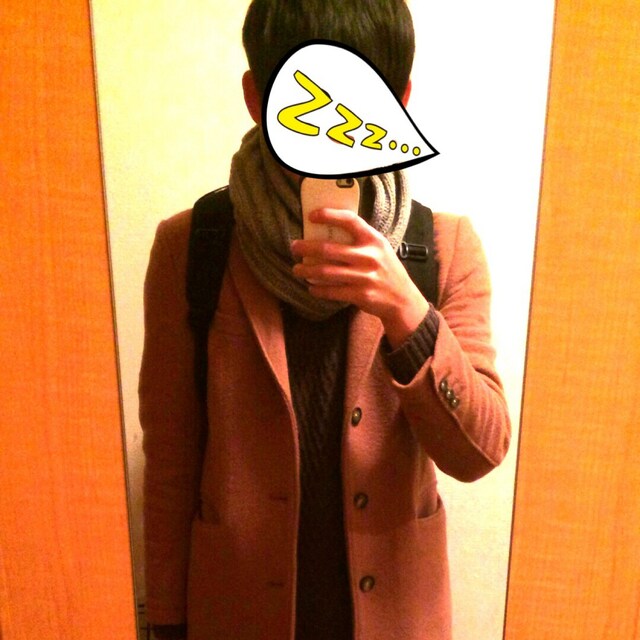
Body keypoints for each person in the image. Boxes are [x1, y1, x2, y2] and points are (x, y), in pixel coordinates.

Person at [139, 1, 511, 639]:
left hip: (395, 618)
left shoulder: (443, 249)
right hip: (238, 617)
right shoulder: (194, 246)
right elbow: (170, 462)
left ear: (401, 102)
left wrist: (407, 312)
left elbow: (481, 449)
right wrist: (167, 625)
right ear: (256, 98)